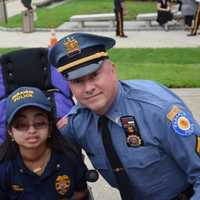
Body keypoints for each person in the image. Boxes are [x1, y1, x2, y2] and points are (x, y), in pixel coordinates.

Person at [49, 32, 200, 200]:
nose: (88, 88)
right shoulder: (76, 123)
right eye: (78, 81)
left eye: (94, 75)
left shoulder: (159, 111)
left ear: (113, 70)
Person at [0, 86, 89, 200]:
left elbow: (81, 192)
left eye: (39, 123)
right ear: (10, 131)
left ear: (50, 127)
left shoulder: (70, 157)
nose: (31, 130)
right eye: (22, 125)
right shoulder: (3, 167)